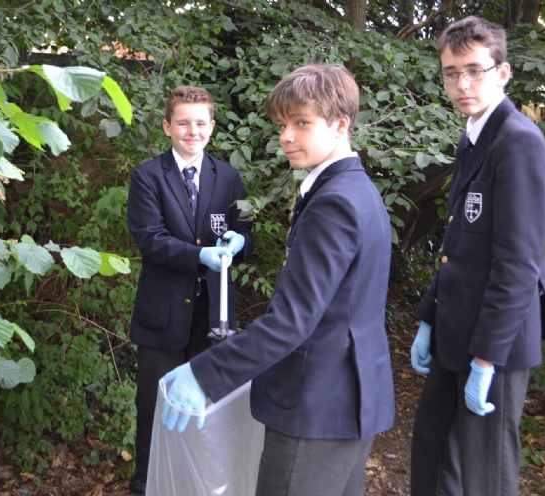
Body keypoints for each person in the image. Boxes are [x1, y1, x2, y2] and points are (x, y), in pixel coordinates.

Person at [160, 64, 394, 496]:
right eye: (283, 125)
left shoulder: (334, 203)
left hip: (315, 407)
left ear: (340, 124)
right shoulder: (357, 189)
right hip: (348, 402)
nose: (286, 136)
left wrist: (206, 374)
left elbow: (292, 321)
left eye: (302, 123)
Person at [408, 16, 545, 496]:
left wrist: (486, 359)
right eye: (451, 73)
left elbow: (518, 263)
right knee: (434, 452)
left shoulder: (518, 142)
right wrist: (429, 316)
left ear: (503, 72)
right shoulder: (474, 134)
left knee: (485, 475)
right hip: (456, 327)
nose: (462, 84)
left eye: (474, 70)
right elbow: (459, 243)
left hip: (495, 341)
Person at [126, 85, 254, 495]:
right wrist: (199, 255)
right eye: (183, 123)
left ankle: (198, 486)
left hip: (214, 316)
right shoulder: (148, 176)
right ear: (167, 126)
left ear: (212, 127)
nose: (192, 131)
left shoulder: (228, 177)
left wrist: (240, 242)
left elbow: (245, 233)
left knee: (208, 409)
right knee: (155, 407)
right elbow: (150, 239)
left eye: (200, 123)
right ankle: (147, 485)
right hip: (163, 315)